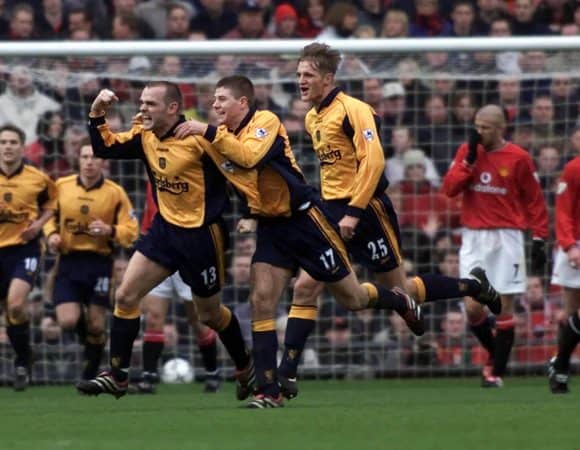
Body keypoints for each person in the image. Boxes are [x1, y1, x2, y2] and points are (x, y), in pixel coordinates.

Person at [254, 43, 498, 400]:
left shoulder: (354, 110)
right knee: (306, 286)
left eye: (307, 75)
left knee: (402, 289)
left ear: (328, 78)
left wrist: (354, 211)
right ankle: (287, 375)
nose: (301, 81)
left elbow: (374, 163)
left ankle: (472, 287)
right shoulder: (311, 117)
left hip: (367, 211)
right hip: (331, 211)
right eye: (298, 75)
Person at [173, 74, 428, 408]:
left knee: (351, 298)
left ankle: (400, 300)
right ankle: (268, 390)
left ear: (243, 103)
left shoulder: (266, 121)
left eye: (222, 99)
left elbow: (249, 157)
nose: (214, 105)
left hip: (306, 221)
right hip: (270, 229)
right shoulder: (217, 135)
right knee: (261, 301)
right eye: (213, 100)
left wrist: (205, 130)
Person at [75, 81, 260, 401]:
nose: (142, 108)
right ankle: (118, 375)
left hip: (203, 236)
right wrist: (96, 116)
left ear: (173, 108)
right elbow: (106, 147)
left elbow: (240, 172)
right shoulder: (144, 134)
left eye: (150, 104)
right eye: (142, 102)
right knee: (127, 295)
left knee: (209, 315)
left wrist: (250, 212)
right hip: (164, 231)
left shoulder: (202, 139)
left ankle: (244, 365)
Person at [442, 104, 549, 388]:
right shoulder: (467, 151)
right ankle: (497, 354)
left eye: (485, 127)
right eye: (476, 126)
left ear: (501, 128)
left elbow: (535, 200)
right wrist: (468, 163)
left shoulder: (519, 158)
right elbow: (450, 188)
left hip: (507, 238)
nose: (479, 132)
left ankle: (494, 371)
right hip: (474, 238)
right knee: (473, 309)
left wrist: (539, 237)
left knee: (503, 307)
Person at [44, 142, 139, 383]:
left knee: (97, 326)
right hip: (68, 261)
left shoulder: (115, 192)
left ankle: (91, 368)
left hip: (99, 264)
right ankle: (91, 349)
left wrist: (110, 230)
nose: (89, 162)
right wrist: (51, 234)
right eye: (85, 157)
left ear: (102, 162)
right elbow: (47, 217)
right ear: (78, 160)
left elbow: (132, 230)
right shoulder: (62, 187)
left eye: (94, 158)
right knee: (67, 320)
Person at [133, 181, 221, 394]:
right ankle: (149, 377)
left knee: (198, 319)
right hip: (158, 248)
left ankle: (212, 373)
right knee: (153, 317)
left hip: (187, 247)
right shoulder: (153, 162)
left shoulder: (185, 168)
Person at [0, 124, 57, 390]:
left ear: (22, 147)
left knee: (15, 304)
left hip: (25, 249)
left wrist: (38, 225)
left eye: (13, 142)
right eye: (3, 142)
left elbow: (51, 205)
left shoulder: (38, 178)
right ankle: (22, 354)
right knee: (10, 312)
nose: (8, 146)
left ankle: (23, 360)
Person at [548, 155, 580, 394]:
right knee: (571, 312)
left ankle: (559, 366)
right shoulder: (573, 169)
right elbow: (563, 211)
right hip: (576, 246)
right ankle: (560, 368)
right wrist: (569, 246)